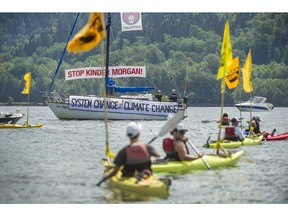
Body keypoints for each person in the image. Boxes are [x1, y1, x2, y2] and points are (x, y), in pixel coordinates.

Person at [96, 122, 160, 186]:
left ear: (128, 135)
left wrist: (105, 178)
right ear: (138, 133)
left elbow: (114, 173)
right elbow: (158, 155)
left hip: (128, 177)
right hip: (146, 176)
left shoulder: (123, 152)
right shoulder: (147, 147)